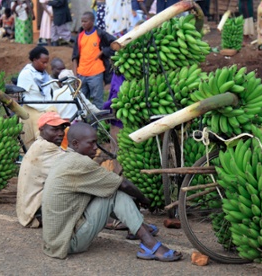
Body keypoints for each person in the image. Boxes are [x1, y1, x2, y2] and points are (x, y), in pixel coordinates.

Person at [42, 122, 183, 261]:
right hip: (67, 243)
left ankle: (137, 227)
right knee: (115, 193)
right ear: (75, 143)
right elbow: (123, 184)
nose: (95, 148)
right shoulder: (80, 163)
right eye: (91, 143)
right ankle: (150, 244)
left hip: (54, 242)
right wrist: (144, 200)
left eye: (96, 143)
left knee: (108, 189)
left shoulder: (64, 158)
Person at [16, 112, 70, 228]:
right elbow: (74, 165)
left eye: (62, 129)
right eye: (54, 130)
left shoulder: (40, 144)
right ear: (42, 130)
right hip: (34, 213)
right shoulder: (46, 147)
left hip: (28, 211)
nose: (61, 133)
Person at [72, 11, 116, 109]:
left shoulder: (100, 34)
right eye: (82, 21)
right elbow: (74, 57)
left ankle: (98, 123)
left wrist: (103, 51)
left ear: (92, 21)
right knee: (81, 101)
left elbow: (115, 43)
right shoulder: (80, 36)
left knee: (97, 101)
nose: (83, 23)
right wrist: (75, 76)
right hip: (81, 74)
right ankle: (83, 124)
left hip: (96, 74)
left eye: (85, 21)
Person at [16, 46, 54, 149]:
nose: (46, 65)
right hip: (33, 111)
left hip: (47, 109)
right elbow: (19, 94)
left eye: (47, 62)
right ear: (34, 60)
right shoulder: (26, 74)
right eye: (43, 62)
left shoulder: (44, 74)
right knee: (35, 143)